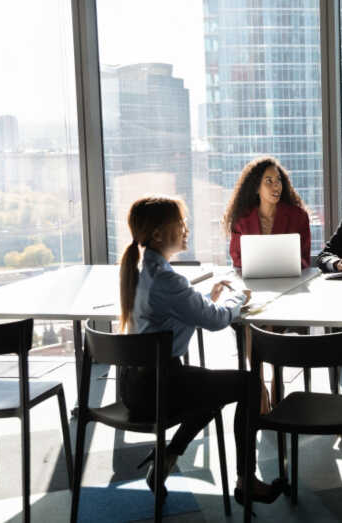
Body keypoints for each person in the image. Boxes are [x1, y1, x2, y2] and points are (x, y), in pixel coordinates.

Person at [118, 195, 283, 505]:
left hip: (136, 385)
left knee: (213, 389)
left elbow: (175, 308)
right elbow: (216, 320)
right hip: (159, 388)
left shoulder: (145, 270)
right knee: (247, 384)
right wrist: (238, 299)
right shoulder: (166, 279)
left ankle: (167, 456)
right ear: (157, 234)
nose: (186, 229)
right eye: (180, 223)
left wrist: (208, 295)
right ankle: (246, 479)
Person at [224, 156, 311, 269]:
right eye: (269, 181)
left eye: (278, 180)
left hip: (289, 281)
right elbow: (237, 259)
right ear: (256, 188)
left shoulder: (299, 217)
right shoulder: (242, 220)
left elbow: (304, 259)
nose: (276, 185)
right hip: (254, 283)